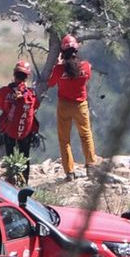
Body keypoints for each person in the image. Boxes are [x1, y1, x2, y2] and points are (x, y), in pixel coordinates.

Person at [48, 34, 97, 179]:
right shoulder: (86, 66)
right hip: (81, 105)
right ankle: (91, 166)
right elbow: (87, 78)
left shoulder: (59, 69)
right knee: (86, 135)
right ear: (76, 51)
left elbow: (50, 83)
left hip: (64, 105)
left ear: (62, 52)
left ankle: (69, 172)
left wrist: (57, 65)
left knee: (64, 139)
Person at [0, 60, 40, 183]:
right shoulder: (31, 94)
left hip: (9, 129)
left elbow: (0, 105)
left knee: (10, 155)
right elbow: (35, 107)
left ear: (14, 74)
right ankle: (24, 183)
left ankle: (10, 183)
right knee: (25, 156)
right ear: (27, 76)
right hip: (25, 131)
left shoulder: (5, 92)